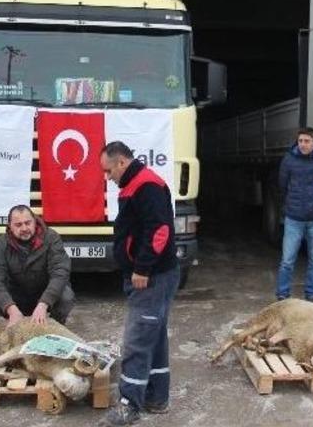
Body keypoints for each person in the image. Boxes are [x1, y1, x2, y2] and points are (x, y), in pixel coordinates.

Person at [99, 141, 179, 426]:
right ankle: (157, 398)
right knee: (153, 334)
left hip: (152, 276)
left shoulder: (146, 185)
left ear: (122, 162)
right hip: (156, 274)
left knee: (136, 339)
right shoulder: (136, 184)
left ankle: (128, 403)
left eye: (109, 171)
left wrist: (142, 267)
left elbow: (159, 230)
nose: (107, 177)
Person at [0, 205, 74, 326]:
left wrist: (43, 304)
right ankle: (15, 320)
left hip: (44, 294)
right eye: (18, 225)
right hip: (18, 296)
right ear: (10, 226)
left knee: (66, 297)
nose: (24, 228)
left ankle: (56, 323)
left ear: (35, 222)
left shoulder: (52, 238)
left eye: (28, 223)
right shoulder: (1, 244)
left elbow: (60, 272)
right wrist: (10, 308)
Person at [275, 126, 313, 302]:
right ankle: (282, 294)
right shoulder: (289, 160)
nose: (303, 144)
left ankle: (312, 294)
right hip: (293, 218)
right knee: (287, 260)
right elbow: (282, 185)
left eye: (307, 141)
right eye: (300, 141)